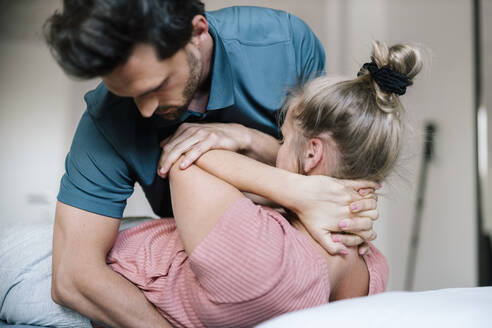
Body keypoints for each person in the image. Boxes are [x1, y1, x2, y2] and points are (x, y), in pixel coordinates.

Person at [43, 1, 379, 327]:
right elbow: (72, 277)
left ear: (197, 31)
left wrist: (246, 138)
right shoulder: (107, 120)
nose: (144, 110)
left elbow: (322, 162)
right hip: (193, 271)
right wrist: (294, 190)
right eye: (129, 94)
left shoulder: (286, 45)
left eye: (157, 85)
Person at [105, 41, 423, 327]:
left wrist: (292, 186)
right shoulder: (373, 272)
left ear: (313, 154)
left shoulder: (266, 254)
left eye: (283, 139)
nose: (275, 148)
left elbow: (186, 159)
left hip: (106, 271)